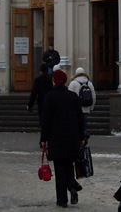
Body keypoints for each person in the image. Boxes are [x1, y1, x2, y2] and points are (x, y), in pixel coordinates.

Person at [41, 68, 86, 208]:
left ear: (54, 80)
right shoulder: (73, 96)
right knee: (69, 165)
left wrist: (43, 138)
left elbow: (45, 120)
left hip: (56, 139)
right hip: (72, 138)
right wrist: (81, 136)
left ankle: (62, 199)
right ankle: (72, 186)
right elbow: (80, 118)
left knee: (60, 169)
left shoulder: (50, 97)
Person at [67, 66, 96, 138]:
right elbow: (93, 96)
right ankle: (85, 134)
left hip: (76, 109)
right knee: (84, 124)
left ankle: (80, 137)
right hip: (86, 107)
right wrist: (91, 108)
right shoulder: (89, 83)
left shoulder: (73, 83)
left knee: (76, 124)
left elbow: (69, 97)